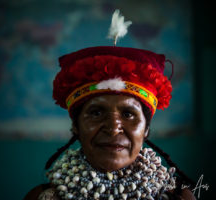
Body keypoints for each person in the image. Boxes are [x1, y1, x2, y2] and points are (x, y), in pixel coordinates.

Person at [24, 10, 196, 200]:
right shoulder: (44, 197)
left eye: (129, 114)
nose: (114, 129)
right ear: (76, 127)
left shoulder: (178, 197)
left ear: (146, 129)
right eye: (96, 113)